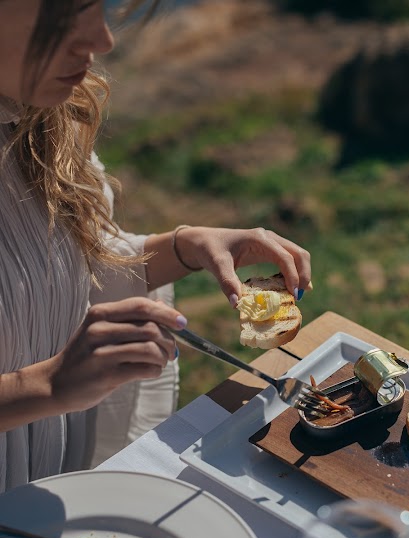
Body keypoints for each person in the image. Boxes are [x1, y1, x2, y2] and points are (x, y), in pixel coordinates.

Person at [0, 0, 311, 490]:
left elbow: (61, 270)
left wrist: (185, 247)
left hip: (49, 488)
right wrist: (45, 386)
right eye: (63, 11)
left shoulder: (36, 120)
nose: (102, 40)